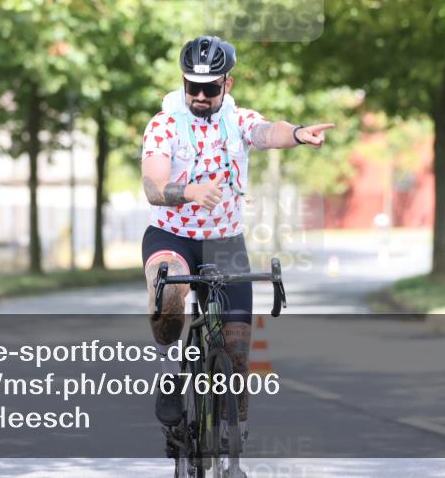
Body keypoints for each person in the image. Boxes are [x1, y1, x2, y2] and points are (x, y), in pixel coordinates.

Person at [140, 35, 334, 437]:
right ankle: (169, 374)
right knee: (169, 297)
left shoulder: (237, 119)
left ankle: (231, 444)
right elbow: (153, 186)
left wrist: (297, 134)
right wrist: (189, 191)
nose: (199, 96)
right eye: (192, 86)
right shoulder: (164, 124)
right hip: (171, 236)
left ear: (227, 84)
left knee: (238, 350)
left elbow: (267, 132)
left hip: (225, 242)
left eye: (210, 88)